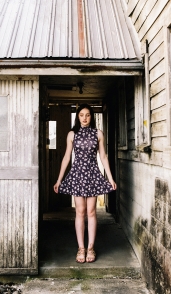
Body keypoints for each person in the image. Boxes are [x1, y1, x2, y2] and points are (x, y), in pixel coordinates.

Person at [53, 103, 117, 263]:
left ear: (91, 117)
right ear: (78, 117)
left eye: (87, 115)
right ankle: (81, 248)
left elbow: (103, 156)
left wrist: (110, 177)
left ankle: (91, 248)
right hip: (77, 175)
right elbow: (67, 157)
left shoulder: (98, 133)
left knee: (92, 212)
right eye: (81, 115)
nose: (85, 118)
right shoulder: (72, 134)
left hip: (93, 174)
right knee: (80, 212)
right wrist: (59, 179)